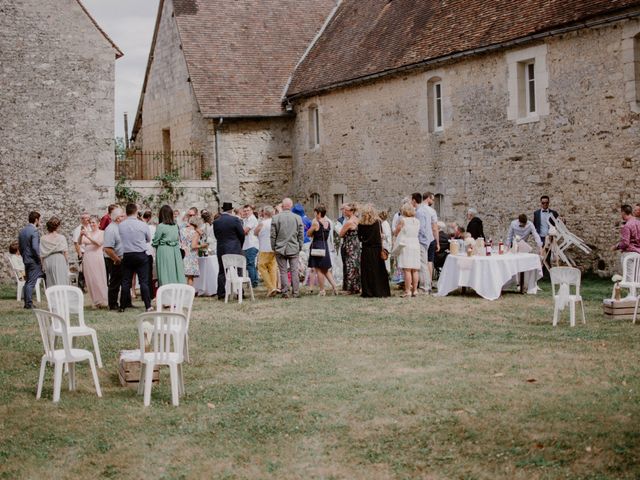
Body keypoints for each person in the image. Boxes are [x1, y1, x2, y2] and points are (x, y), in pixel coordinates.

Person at [119, 203, 152, 312]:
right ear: (136, 211)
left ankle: (122, 306)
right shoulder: (142, 225)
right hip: (140, 254)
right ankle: (148, 305)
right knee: (144, 281)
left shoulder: (121, 225)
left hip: (127, 254)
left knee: (126, 281)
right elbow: (148, 239)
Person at [271, 197, 304, 298]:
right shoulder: (297, 218)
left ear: (282, 205)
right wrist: (300, 246)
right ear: (291, 206)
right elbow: (301, 234)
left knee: (283, 271)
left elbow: (273, 235)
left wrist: (274, 247)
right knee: (294, 270)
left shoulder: (276, 218)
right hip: (293, 247)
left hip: (280, 248)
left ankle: (285, 292)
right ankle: (296, 292)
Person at [357, 204, 390, 298]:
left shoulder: (361, 224)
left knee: (367, 271)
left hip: (366, 249)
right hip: (377, 249)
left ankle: (368, 291)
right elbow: (381, 235)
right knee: (378, 271)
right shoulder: (378, 222)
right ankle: (379, 291)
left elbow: (359, 237)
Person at [214, 202, 245, 300]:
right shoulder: (235, 220)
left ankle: (221, 293)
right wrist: (239, 244)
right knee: (238, 270)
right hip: (234, 247)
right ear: (231, 210)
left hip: (221, 247)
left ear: (223, 210)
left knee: (222, 271)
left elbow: (216, 236)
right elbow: (242, 234)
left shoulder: (216, 221)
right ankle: (240, 292)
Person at [307, 204, 338, 296]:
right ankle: (335, 287)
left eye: (315, 212)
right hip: (325, 246)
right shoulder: (327, 222)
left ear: (319, 213)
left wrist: (312, 228)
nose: (314, 214)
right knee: (325, 269)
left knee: (319, 269)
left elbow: (309, 234)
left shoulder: (316, 222)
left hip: (317, 245)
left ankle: (322, 290)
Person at [152, 205, 186, 286]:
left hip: (164, 250)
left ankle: (166, 287)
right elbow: (177, 238)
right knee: (175, 270)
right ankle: (177, 287)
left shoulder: (161, 226)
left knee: (165, 270)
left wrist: (156, 243)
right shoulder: (175, 225)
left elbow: (155, 241)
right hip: (175, 250)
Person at [78, 216, 108, 307]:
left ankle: (103, 299)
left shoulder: (102, 233)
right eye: (90, 222)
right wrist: (81, 235)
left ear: (99, 224)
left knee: (99, 278)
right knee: (90, 279)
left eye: (94, 222)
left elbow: (99, 243)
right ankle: (95, 300)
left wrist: (88, 236)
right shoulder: (88, 232)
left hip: (97, 257)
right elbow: (80, 243)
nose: (91, 224)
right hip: (88, 257)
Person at [393, 203, 421, 297]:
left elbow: (396, 232)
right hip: (415, 243)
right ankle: (415, 290)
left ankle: (408, 290)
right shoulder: (417, 221)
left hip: (406, 244)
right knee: (415, 269)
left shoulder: (402, 220)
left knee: (407, 269)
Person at [18, 211, 43, 308]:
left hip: (26, 259)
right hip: (33, 260)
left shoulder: (22, 231)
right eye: (39, 220)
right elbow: (35, 247)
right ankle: (28, 304)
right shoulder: (34, 231)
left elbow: (20, 247)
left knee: (28, 281)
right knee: (31, 282)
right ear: (36, 220)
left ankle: (27, 303)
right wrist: (39, 258)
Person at [103, 207, 125, 310]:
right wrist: (116, 259)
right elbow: (107, 248)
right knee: (114, 282)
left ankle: (124, 302)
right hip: (113, 259)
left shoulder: (119, 227)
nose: (123, 217)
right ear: (117, 218)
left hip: (121, 258)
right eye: (122, 216)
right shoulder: (110, 229)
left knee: (122, 281)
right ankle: (112, 304)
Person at [255, 206, 279, 296]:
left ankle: (271, 287)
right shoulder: (275, 222)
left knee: (262, 267)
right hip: (273, 248)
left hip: (264, 248)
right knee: (272, 268)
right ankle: (273, 288)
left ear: (264, 213)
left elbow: (255, 232)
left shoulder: (262, 223)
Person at [40, 216, 69, 287]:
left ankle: (53, 297)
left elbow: (41, 254)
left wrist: (42, 265)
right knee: (61, 280)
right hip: (59, 259)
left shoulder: (43, 238)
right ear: (57, 227)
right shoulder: (61, 238)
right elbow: (65, 252)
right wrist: (67, 263)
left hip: (48, 260)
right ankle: (62, 296)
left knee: (50, 281)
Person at [339, 203, 361, 294]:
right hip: (356, 244)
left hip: (349, 245)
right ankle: (357, 286)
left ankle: (350, 288)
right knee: (356, 265)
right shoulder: (358, 220)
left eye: (346, 210)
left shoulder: (349, 222)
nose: (344, 212)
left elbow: (341, 234)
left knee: (349, 265)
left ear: (351, 211)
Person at [183, 216, 206, 286]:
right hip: (191, 255)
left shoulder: (182, 230)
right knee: (190, 276)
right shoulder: (195, 233)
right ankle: (189, 293)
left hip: (182, 253)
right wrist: (203, 245)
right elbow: (193, 246)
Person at [72, 212, 91, 291]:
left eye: (88, 218)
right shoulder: (78, 229)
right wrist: (80, 254)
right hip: (83, 252)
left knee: (91, 269)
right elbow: (76, 243)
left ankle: (89, 286)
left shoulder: (91, 227)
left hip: (91, 251)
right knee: (82, 270)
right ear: (82, 219)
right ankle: (81, 287)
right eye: (86, 218)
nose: (88, 220)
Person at [242, 204, 259, 288]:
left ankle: (253, 282)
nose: (246, 212)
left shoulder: (252, 219)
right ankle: (254, 281)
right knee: (250, 264)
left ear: (252, 211)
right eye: (245, 211)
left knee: (250, 264)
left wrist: (243, 231)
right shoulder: (245, 220)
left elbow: (244, 231)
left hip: (252, 244)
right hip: (246, 244)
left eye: (248, 210)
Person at [142, 210, 156, 298]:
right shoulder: (152, 228)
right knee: (149, 274)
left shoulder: (144, 226)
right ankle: (150, 294)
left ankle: (145, 294)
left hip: (143, 251)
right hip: (149, 251)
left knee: (144, 275)